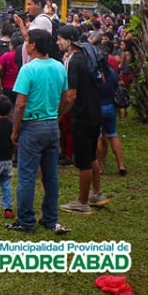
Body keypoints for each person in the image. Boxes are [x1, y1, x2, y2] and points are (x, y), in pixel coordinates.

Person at [6, 29, 70, 234]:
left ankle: (26, 221)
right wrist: (56, 116)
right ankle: (50, 219)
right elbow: (67, 98)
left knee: (26, 176)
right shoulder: (59, 67)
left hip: (32, 126)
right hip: (52, 125)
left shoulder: (28, 69)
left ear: (33, 45)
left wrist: (15, 130)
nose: (25, 44)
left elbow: (21, 104)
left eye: (27, 41)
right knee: (50, 176)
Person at [57, 25, 108, 214]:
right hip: (95, 111)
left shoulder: (74, 61)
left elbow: (70, 96)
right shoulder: (89, 53)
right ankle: (96, 193)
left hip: (81, 115)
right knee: (92, 154)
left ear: (68, 41)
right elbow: (101, 79)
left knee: (83, 160)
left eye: (59, 38)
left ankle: (82, 202)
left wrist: (59, 115)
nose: (57, 42)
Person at [97, 65, 127, 176]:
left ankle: (99, 167)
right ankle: (121, 165)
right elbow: (121, 84)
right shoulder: (111, 72)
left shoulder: (94, 72)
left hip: (97, 107)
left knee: (98, 136)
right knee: (113, 135)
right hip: (110, 106)